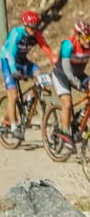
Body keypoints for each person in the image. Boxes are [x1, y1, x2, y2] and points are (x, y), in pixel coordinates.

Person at [3, 10, 57, 138]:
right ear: (25, 25)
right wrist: (14, 70)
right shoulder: (17, 33)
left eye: (36, 27)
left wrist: (56, 62)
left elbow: (46, 48)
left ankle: (29, 100)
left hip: (22, 61)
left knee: (39, 74)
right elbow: (10, 54)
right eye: (31, 27)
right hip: (8, 61)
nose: (34, 30)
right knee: (13, 95)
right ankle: (14, 126)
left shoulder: (36, 34)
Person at [53, 21, 90, 144]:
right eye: (84, 37)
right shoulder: (68, 44)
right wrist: (78, 84)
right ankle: (65, 133)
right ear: (77, 36)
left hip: (79, 74)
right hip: (61, 74)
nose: (88, 40)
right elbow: (67, 69)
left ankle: (79, 120)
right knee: (67, 103)